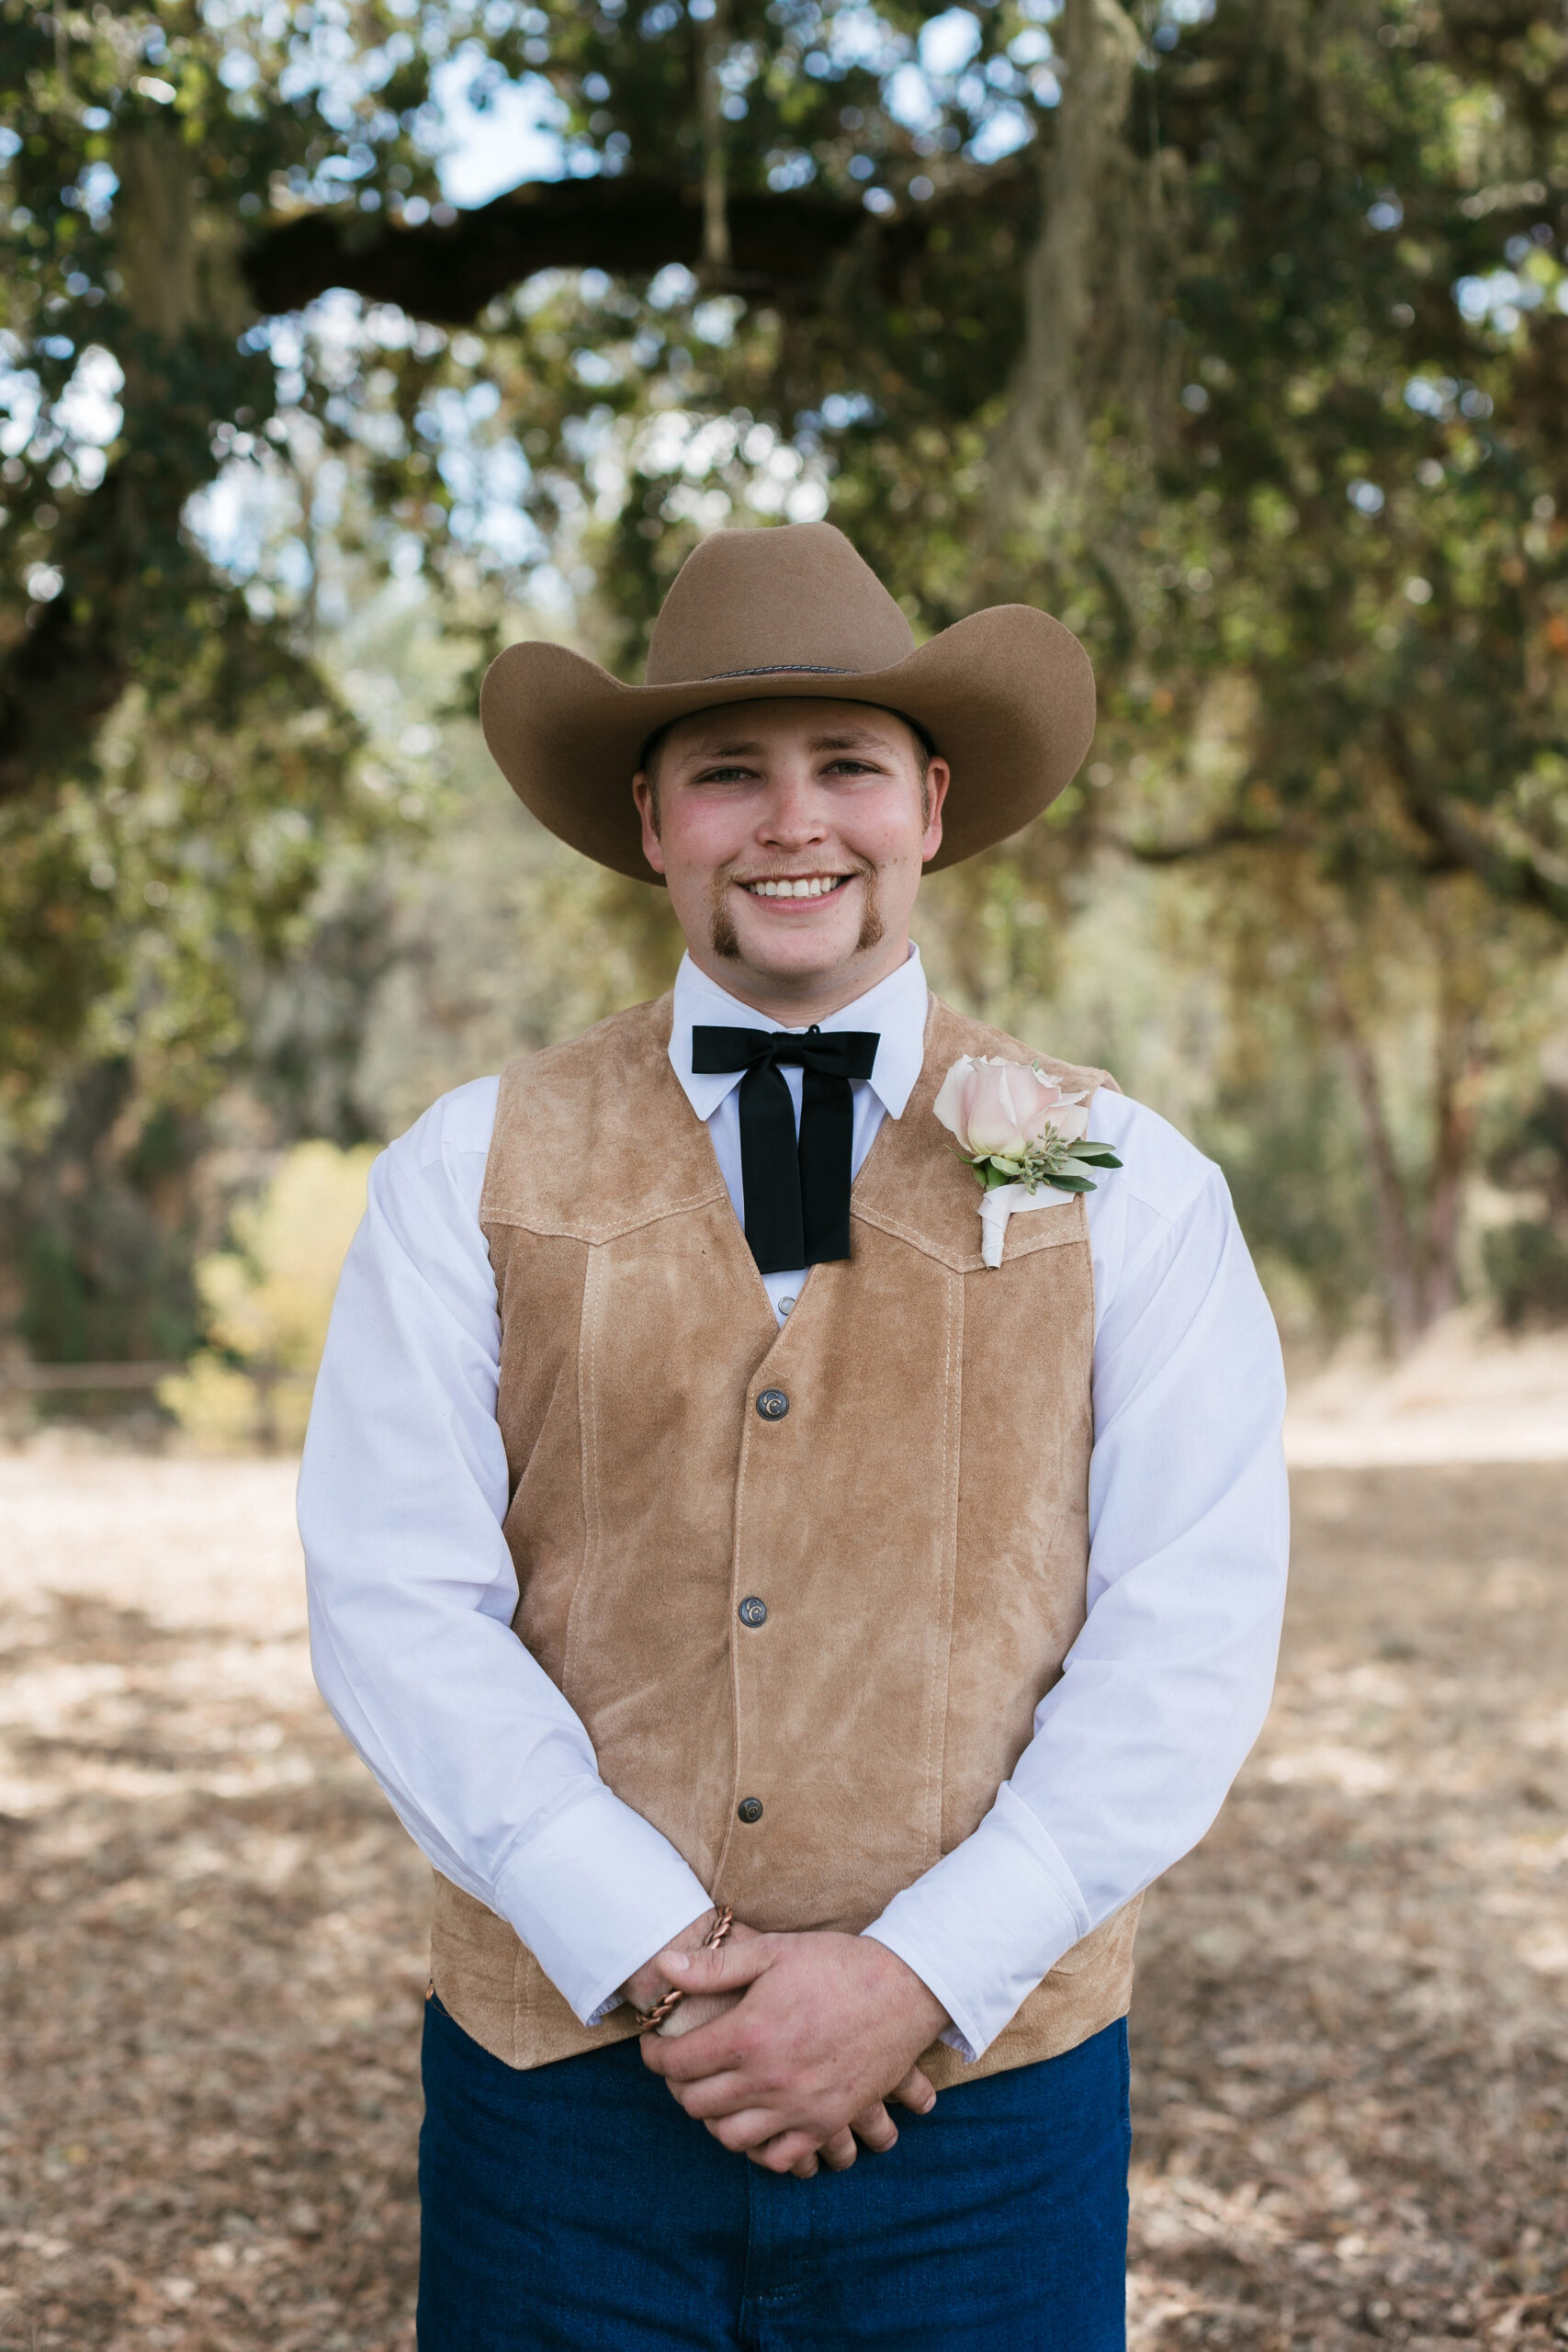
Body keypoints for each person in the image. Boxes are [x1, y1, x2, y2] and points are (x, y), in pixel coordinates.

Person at [299, 521, 1289, 2351]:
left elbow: (1186, 1622)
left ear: (923, 800)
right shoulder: (469, 1166)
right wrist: (650, 1950)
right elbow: (394, 1591)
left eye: (842, 764)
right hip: (568, 2105)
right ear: (651, 816)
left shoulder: (1108, 1167)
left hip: (981, 2106)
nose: (790, 823)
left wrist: (917, 1968)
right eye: (727, 774)